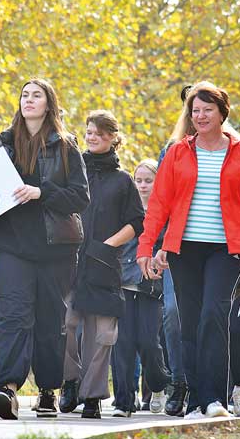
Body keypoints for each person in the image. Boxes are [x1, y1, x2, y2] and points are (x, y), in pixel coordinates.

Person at [137, 82, 240, 420]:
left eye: (207, 110)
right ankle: (196, 400)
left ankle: (215, 400)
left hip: (227, 249)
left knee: (215, 315)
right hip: (184, 249)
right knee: (190, 322)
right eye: (195, 111)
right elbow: (159, 205)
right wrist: (146, 247)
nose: (200, 116)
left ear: (222, 113)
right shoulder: (178, 152)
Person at [0, 78, 89, 420]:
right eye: (24, 95)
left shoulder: (66, 146)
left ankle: (47, 391)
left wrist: (42, 192)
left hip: (55, 248)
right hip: (9, 243)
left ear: (48, 104)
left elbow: (81, 198)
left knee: (49, 319)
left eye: (36, 95)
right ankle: (7, 389)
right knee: (14, 314)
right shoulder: (2, 141)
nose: (28, 100)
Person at [60, 110, 144, 419]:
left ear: (112, 137)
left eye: (98, 132)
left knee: (102, 334)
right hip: (69, 259)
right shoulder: (72, 170)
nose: (92, 137)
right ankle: (70, 381)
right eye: (89, 131)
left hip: (105, 264)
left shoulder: (123, 181)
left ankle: (92, 396)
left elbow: (137, 221)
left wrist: (108, 245)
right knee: (65, 323)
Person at [111, 159, 170, 417]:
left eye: (148, 180)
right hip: (123, 282)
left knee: (148, 342)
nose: (143, 185)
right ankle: (124, 401)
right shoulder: (125, 209)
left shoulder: (164, 212)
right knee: (122, 343)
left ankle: (158, 384)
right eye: (139, 180)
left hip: (151, 285)